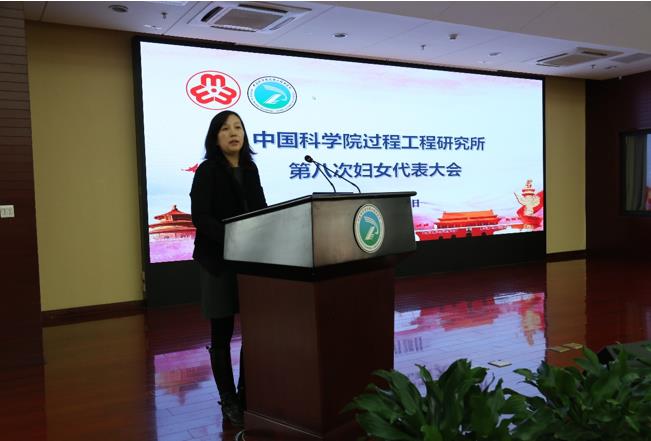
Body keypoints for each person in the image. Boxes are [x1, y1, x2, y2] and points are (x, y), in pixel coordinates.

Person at [190, 110, 267, 427]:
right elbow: (201, 217)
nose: (233, 133)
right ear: (215, 137)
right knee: (221, 332)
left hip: (250, 262)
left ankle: (247, 393)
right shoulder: (207, 171)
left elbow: (261, 210)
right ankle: (229, 401)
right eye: (225, 128)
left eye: (238, 127)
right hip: (217, 260)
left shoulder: (250, 169)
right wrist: (233, 240)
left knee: (254, 329)